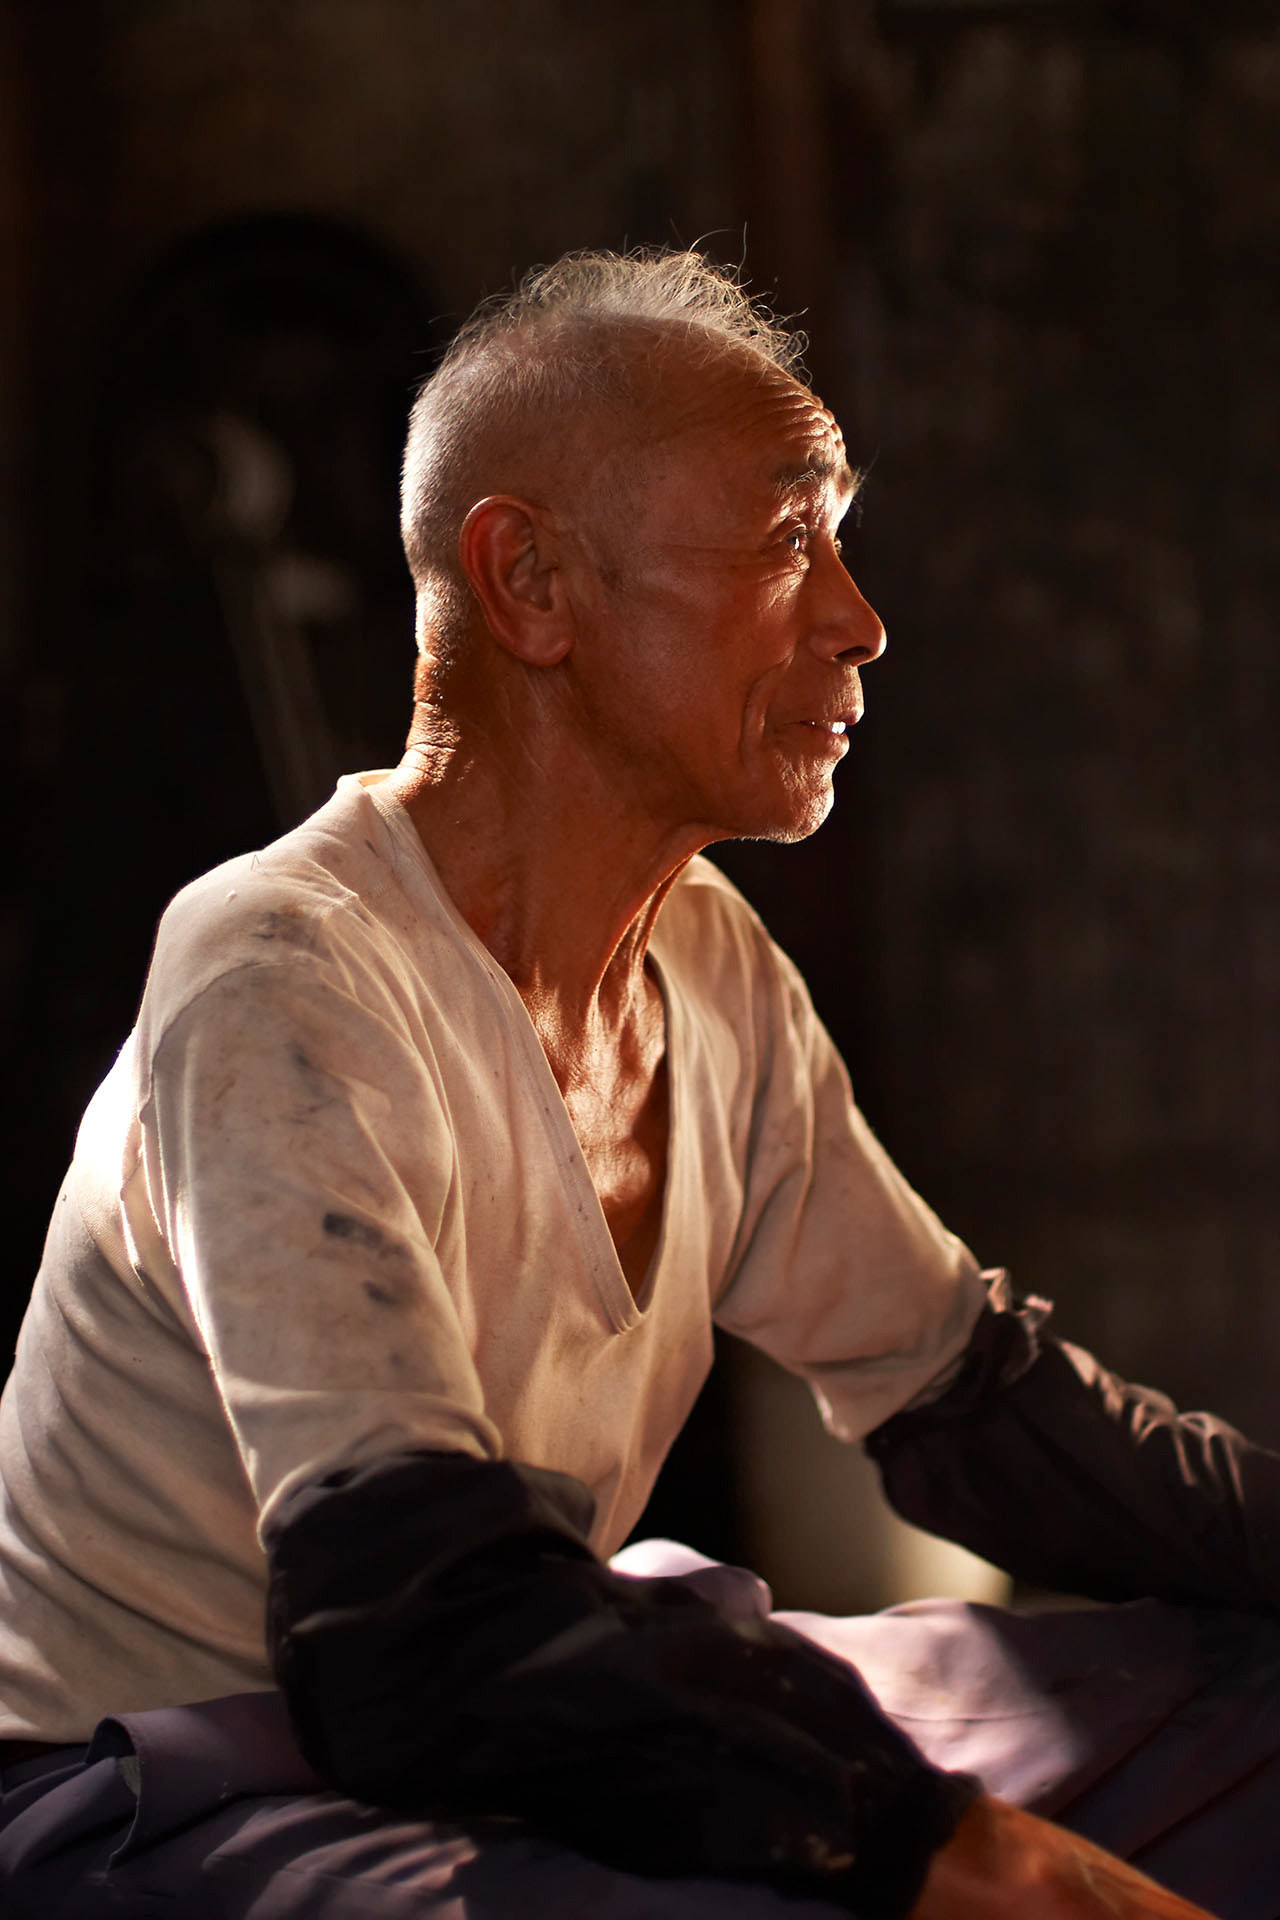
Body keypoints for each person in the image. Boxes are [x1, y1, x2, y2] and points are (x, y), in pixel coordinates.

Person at [1, 248, 1277, 1920]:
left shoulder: (707, 958)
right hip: (177, 1788)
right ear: (530, 581)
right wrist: (929, 1841)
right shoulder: (284, 969)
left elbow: (975, 1404)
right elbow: (410, 1629)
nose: (860, 619)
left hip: (498, 1722)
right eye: (787, 538)